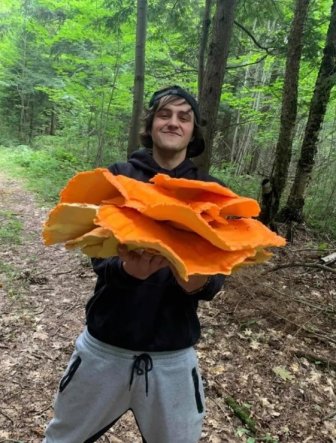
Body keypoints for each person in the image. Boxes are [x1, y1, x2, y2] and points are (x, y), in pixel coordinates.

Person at [44, 85, 225, 443]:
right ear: (151, 124)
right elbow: (99, 259)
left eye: (184, 117)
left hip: (172, 359)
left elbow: (216, 277)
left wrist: (199, 282)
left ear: (193, 131)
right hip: (104, 350)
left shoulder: (212, 193)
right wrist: (127, 272)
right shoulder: (118, 178)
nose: (173, 122)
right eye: (164, 114)